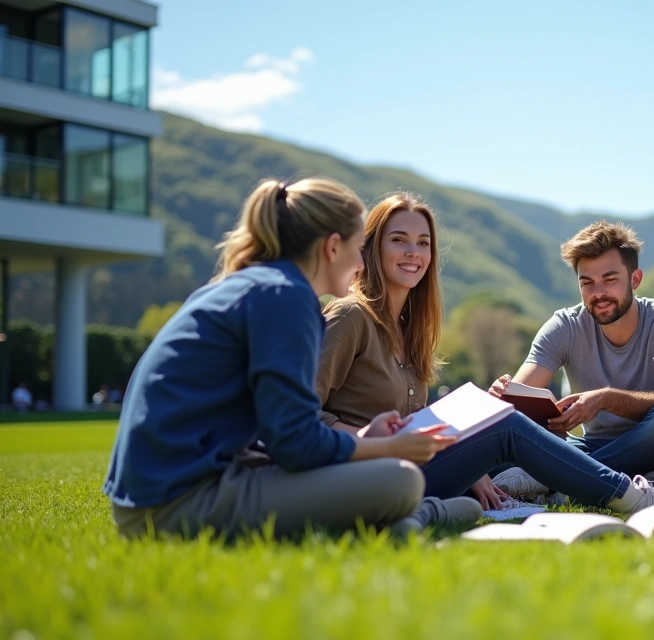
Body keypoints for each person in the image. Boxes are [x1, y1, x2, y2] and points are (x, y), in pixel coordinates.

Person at [102, 177, 459, 540]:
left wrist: (366, 438)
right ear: (333, 247)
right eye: (360, 247)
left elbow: (278, 431)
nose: (361, 262)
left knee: (388, 477)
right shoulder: (287, 298)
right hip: (175, 505)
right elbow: (295, 445)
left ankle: (399, 519)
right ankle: (422, 513)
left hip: (153, 495)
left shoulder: (252, 285)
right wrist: (384, 448)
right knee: (401, 480)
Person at [317, 194, 654, 515]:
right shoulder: (350, 317)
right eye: (399, 240)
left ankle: (571, 488)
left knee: (497, 424)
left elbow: (415, 425)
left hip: (406, 469)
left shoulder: (409, 330)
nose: (414, 252)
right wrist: (375, 439)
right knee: (505, 426)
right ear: (372, 248)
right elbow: (299, 418)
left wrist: (468, 465)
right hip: (363, 472)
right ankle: (633, 497)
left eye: (423, 242)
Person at [487, 222, 654, 495]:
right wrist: (506, 397)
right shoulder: (564, 326)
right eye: (587, 282)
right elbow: (522, 394)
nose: (598, 293)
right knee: (501, 443)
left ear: (635, 279)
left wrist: (607, 399)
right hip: (591, 447)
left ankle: (554, 480)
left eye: (610, 279)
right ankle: (605, 478)